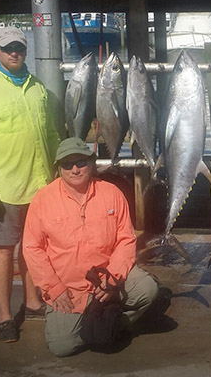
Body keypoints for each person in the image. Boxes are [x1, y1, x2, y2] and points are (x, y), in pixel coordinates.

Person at [0, 26, 60, 343]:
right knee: (5, 250)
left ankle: (32, 301)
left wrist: (59, 171)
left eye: (19, 46)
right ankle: (4, 315)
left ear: (25, 49)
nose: (14, 52)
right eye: (7, 48)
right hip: (4, 191)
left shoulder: (38, 88)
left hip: (41, 186)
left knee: (33, 249)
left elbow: (51, 135)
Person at [23, 138, 159, 357]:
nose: (75, 169)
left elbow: (126, 239)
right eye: (67, 164)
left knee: (148, 291)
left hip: (108, 277)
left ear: (92, 163)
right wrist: (54, 288)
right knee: (62, 347)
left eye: (81, 162)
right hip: (68, 287)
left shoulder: (112, 193)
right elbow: (32, 248)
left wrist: (112, 278)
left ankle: (110, 322)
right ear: (59, 168)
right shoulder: (42, 199)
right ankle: (100, 324)